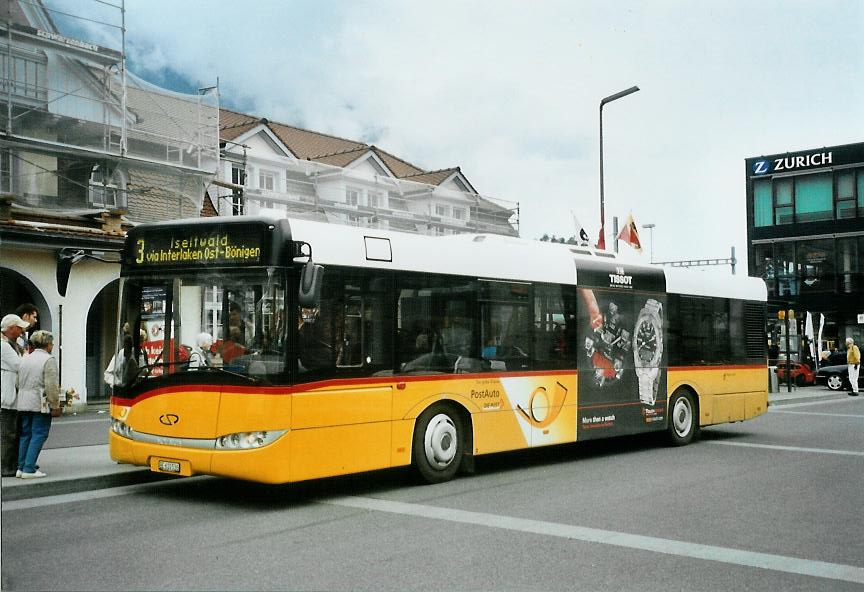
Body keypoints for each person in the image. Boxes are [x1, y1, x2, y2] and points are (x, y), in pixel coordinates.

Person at [16, 330, 61, 479]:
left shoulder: (25, 359)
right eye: (52, 343)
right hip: (39, 402)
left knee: (26, 434)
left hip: (23, 400)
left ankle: (21, 467)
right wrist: (55, 404)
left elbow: (17, 382)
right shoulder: (48, 360)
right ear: (47, 344)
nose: (52, 345)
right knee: (39, 433)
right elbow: (51, 385)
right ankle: (29, 468)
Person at [1, 314, 29, 476]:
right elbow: (20, 365)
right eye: (19, 327)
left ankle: (13, 464)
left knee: (14, 432)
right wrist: (26, 355)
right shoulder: (4, 346)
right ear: (11, 328)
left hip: (13, 396)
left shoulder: (13, 345)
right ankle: (5, 466)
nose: (21, 331)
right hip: (7, 397)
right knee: (7, 434)